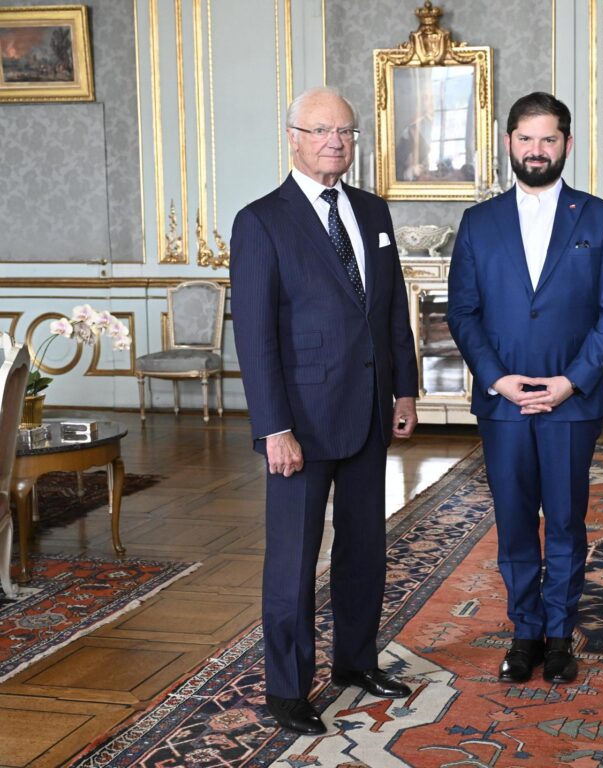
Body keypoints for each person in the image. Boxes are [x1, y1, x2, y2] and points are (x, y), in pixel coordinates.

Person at [230, 86, 419, 735]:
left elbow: (390, 310)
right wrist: (272, 427)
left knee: (365, 549)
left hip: (368, 412)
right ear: (293, 137)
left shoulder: (372, 209)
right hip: (300, 425)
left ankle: (355, 662)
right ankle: (287, 689)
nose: (334, 142)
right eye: (320, 131)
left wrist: (406, 391)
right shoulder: (262, 220)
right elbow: (255, 336)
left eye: (344, 132)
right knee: (293, 561)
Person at [447, 92, 603, 685]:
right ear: (509, 143)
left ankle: (559, 634)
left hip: (569, 404)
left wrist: (570, 382)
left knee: (567, 523)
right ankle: (523, 633)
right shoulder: (479, 222)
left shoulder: (600, 218)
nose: (536, 150)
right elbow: (463, 313)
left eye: (548, 139)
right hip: (503, 403)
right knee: (514, 523)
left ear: (567, 146)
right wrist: (497, 380)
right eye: (525, 139)